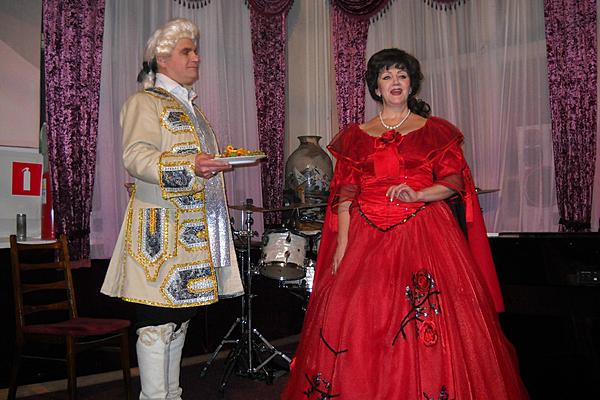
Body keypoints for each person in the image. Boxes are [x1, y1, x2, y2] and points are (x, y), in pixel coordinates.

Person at [281, 48, 529, 399]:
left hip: (424, 231)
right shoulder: (355, 136)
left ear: (411, 84)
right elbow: (345, 196)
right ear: (376, 87)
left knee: (429, 315)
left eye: (401, 75)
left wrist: (420, 194)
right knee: (360, 316)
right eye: (386, 76)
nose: (395, 81)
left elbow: (454, 181)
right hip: (365, 236)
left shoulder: (435, 131)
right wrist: (342, 246)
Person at [101, 18, 243, 400]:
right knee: (156, 325)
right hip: (159, 235)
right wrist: (190, 164)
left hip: (193, 236)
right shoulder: (144, 102)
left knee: (178, 323)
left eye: (195, 51)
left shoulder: (193, 110)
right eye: (186, 51)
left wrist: (205, 165)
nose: (196, 57)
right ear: (162, 59)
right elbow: (136, 156)